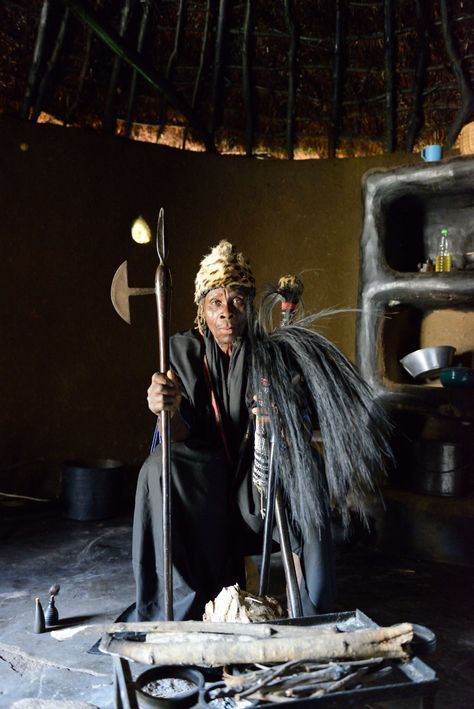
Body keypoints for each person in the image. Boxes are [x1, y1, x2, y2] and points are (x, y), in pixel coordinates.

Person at [130, 240, 335, 622]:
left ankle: (313, 608)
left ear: (250, 307)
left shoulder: (274, 352)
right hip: (204, 479)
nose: (226, 313)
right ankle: (181, 610)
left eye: (237, 301)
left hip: (255, 485)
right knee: (157, 469)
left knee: (309, 467)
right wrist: (164, 411)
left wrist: (283, 423)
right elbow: (177, 434)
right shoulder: (182, 352)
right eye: (216, 304)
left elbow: (304, 426)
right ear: (201, 311)